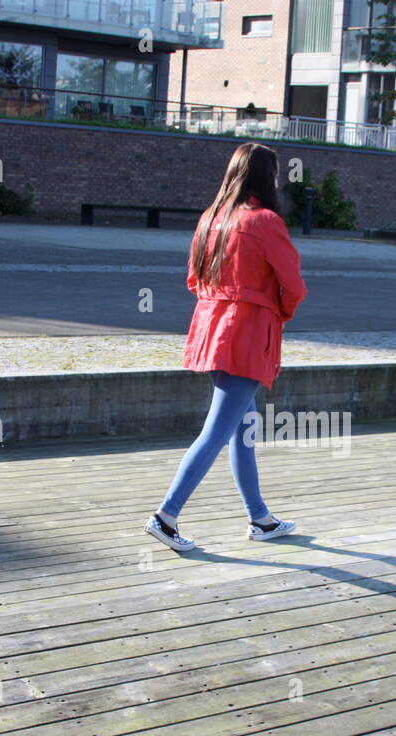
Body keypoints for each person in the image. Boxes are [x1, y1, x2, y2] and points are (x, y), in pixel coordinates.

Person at [144, 142, 307, 553]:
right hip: (247, 332)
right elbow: (294, 286)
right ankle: (166, 515)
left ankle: (261, 519)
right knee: (218, 432)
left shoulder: (210, 219)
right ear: (265, 178)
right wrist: (274, 312)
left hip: (211, 326)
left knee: (242, 429)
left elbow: (193, 281)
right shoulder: (265, 221)